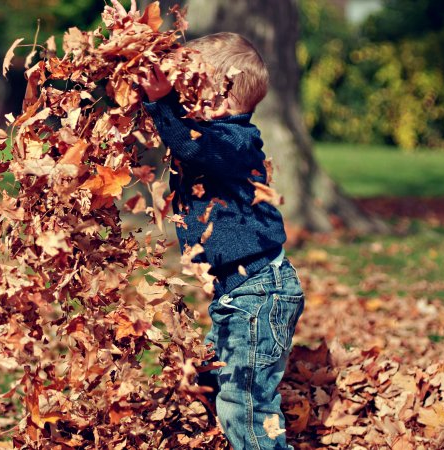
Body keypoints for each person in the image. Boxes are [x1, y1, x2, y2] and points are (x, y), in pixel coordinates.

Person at [141, 32, 305, 450]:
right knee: (211, 376)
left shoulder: (235, 141)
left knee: (245, 404)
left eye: (190, 87)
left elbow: (191, 148)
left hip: (259, 294)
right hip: (238, 295)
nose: (181, 95)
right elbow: (184, 137)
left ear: (220, 96)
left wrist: (160, 103)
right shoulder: (215, 137)